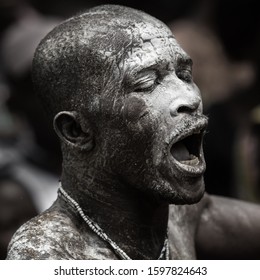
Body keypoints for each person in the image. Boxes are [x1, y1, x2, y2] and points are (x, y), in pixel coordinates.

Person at [6, 4, 260, 260]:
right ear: (77, 130)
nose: (189, 97)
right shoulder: (47, 255)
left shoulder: (180, 216)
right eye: (147, 83)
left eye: (184, 75)